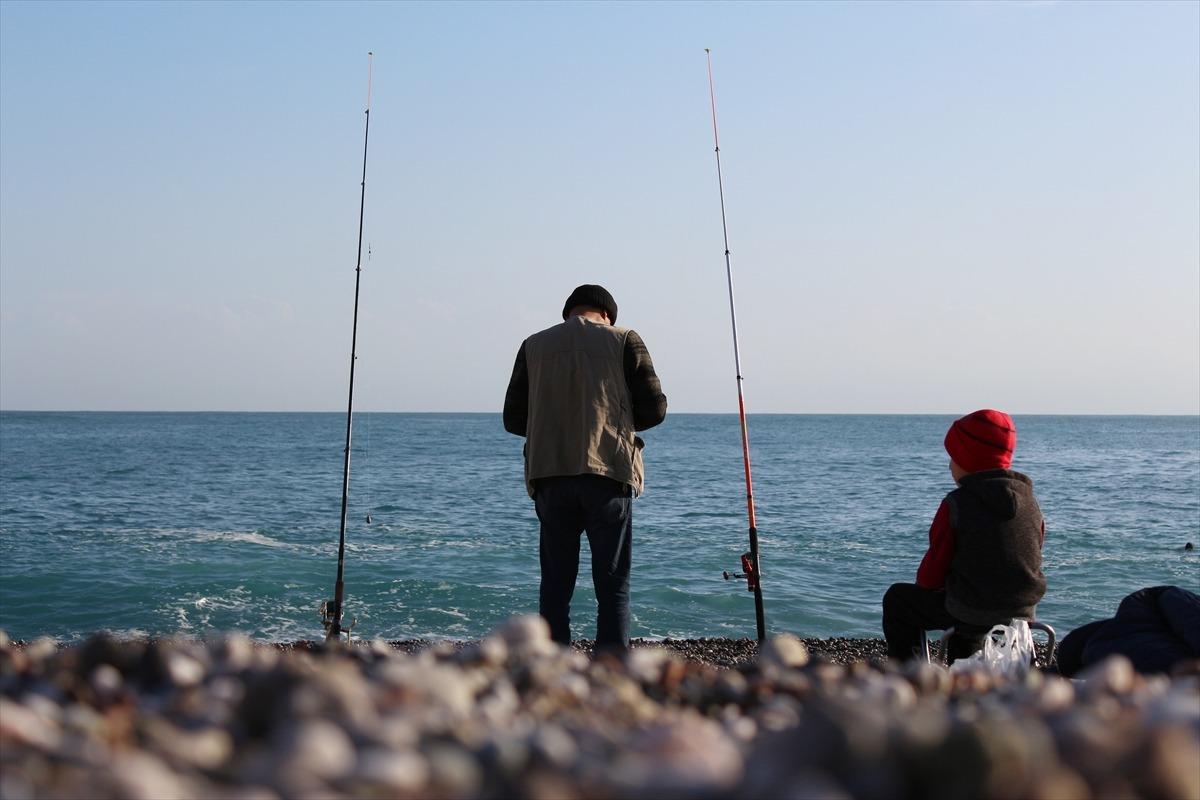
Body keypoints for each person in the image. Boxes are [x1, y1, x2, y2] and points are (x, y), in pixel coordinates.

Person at [503, 285, 667, 652]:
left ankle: (552, 663)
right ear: (607, 314)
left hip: (550, 474)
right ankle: (611, 668)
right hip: (608, 473)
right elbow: (654, 410)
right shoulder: (624, 340)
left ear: (569, 312)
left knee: (556, 586)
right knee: (612, 585)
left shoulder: (534, 345)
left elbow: (513, 419)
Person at [882, 409, 1047, 662]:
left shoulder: (957, 504)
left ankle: (912, 675)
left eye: (953, 457)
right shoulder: (1031, 503)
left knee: (898, 601)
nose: (950, 465)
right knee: (969, 606)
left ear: (970, 459)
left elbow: (930, 577)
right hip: (1022, 613)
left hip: (971, 612)